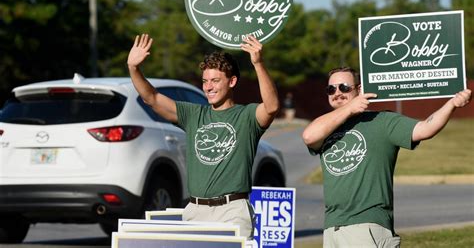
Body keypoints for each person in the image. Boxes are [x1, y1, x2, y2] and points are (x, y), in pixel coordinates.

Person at [127, 33, 279, 239]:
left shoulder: (247, 116)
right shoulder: (193, 115)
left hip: (232, 211)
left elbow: (271, 107)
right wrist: (134, 68)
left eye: (215, 80)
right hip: (195, 211)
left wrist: (258, 63)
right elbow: (151, 98)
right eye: (205, 81)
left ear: (232, 81)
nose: (208, 87)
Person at [301, 66, 471, 247]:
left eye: (344, 87)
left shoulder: (382, 121)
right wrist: (349, 108)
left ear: (359, 90)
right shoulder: (326, 127)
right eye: (331, 89)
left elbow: (425, 129)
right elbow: (309, 136)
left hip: (366, 227)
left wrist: (452, 104)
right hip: (332, 228)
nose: (337, 93)